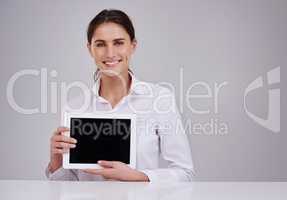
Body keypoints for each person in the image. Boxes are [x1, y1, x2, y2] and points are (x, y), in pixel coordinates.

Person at [46, 9, 194, 182]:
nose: (110, 53)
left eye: (118, 43)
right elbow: (65, 187)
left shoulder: (159, 99)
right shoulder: (75, 107)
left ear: (133, 46)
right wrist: (56, 159)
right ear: (90, 49)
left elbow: (185, 173)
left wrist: (137, 176)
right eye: (100, 44)